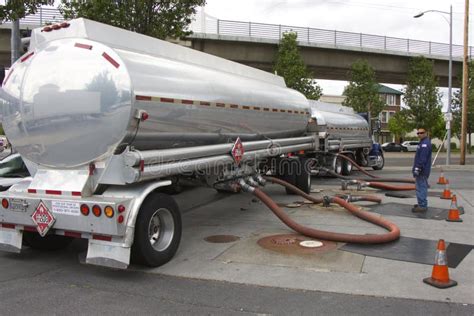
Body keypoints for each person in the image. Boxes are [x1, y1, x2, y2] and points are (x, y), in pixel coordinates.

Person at [412, 127, 432, 212]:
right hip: (422, 170)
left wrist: (417, 169)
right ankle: (421, 203)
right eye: (418, 133)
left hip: (422, 171)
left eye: (421, 133)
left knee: (421, 187)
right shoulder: (422, 142)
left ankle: (422, 205)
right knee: (420, 187)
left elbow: (422, 159)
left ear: (426, 133)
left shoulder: (424, 144)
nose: (419, 134)